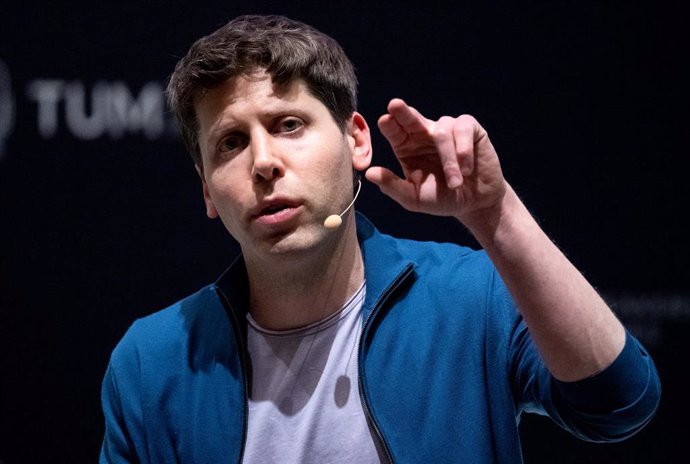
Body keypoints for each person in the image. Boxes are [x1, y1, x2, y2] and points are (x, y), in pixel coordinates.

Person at [99, 14, 661, 463]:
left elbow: (618, 403)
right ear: (206, 192)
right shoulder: (153, 362)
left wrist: (497, 216)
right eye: (230, 144)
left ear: (356, 141)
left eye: (288, 125)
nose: (264, 162)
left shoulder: (471, 299)